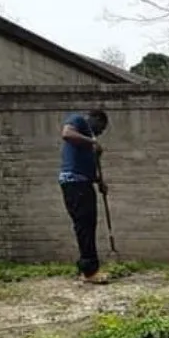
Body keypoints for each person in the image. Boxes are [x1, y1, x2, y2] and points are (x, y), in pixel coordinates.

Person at [59, 109, 110, 284]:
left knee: (87, 225)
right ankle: (90, 271)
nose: (99, 133)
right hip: (75, 183)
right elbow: (66, 134)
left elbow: (85, 167)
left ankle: (86, 268)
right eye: (100, 128)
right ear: (95, 118)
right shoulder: (78, 120)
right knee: (85, 226)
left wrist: (99, 181)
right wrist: (92, 141)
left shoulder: (86, 141)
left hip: (83, 183)